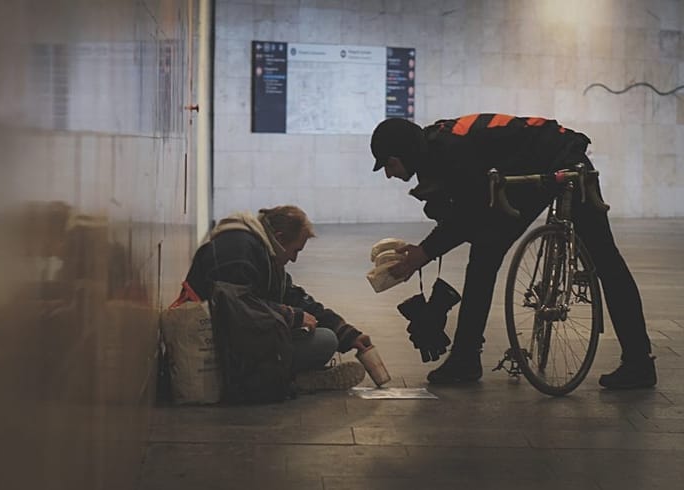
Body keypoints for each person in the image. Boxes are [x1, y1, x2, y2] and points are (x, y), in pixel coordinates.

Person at [370, 114, 656, 389]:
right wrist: (426, 248)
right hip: (527, 165)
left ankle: (639, 363)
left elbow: (470, 217)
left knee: (604, 259)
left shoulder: (453, 151)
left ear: (403, 155)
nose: (388, 174)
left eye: (389, 164)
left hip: (562, 160)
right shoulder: (434, 147)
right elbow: (462, 212)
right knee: (485, 253)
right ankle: (466, 358)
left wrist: (424, 253)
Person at [185, 205, 370, 393]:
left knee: (328, 336)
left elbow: (293, 296)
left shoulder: (260, 249)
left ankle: (297, 377)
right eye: (295, 250)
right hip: (226, 352)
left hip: (241, 341)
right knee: (324, 341)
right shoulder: (239, 251)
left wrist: (345, 332)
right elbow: (237, 310)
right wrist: (292, 316)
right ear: (280, 238)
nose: (294, 259)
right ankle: (295, 380)